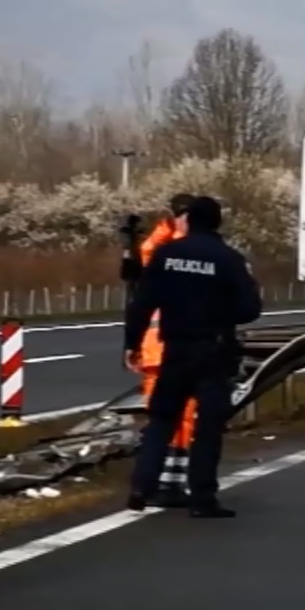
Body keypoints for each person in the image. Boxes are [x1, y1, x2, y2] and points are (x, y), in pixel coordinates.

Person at [123, 196, 262, 518]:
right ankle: (202, 498)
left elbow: (142, 304)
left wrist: (132, 344)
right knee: (209, 426)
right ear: (216, 222)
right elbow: (250, 309)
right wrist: (218, 312)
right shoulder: (228, 259)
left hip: (174, 349)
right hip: (212, 351)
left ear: (187, 220)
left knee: (161, 419)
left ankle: (140, 488)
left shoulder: (167, 254)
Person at [135, 193, 202, 503]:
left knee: (171, 419)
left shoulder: (164, 254)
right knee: (176, 419)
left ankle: (163, 481)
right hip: (173, 352)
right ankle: (167, 481)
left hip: (161, 352)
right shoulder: (174, 254)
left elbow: (148, 253)